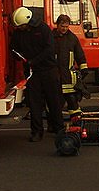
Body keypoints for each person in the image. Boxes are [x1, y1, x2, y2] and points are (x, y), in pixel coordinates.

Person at [10, 7, 63, 142]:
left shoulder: (43, 29)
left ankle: (59, 129)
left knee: (54, 101)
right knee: (34, 104)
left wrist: (34, 60)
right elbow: (14, 48)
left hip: (48, 70)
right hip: (32, 73)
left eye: (21, 26)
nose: (20, 28)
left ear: (28, 22)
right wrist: (18, 56)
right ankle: (36, 132)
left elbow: (50, 49)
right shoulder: (18, 33)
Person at [53, 14, 88, 123]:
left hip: (68, 76)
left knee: (72, 101)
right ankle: (54, 124)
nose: (64, 28)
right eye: (62, 26)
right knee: (55, 103)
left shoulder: (72, 38)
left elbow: (79, 54)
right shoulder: (51, 37)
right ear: (57, 25)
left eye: (67, 26)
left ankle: (76, 122)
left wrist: (84, 67)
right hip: (55, 76)